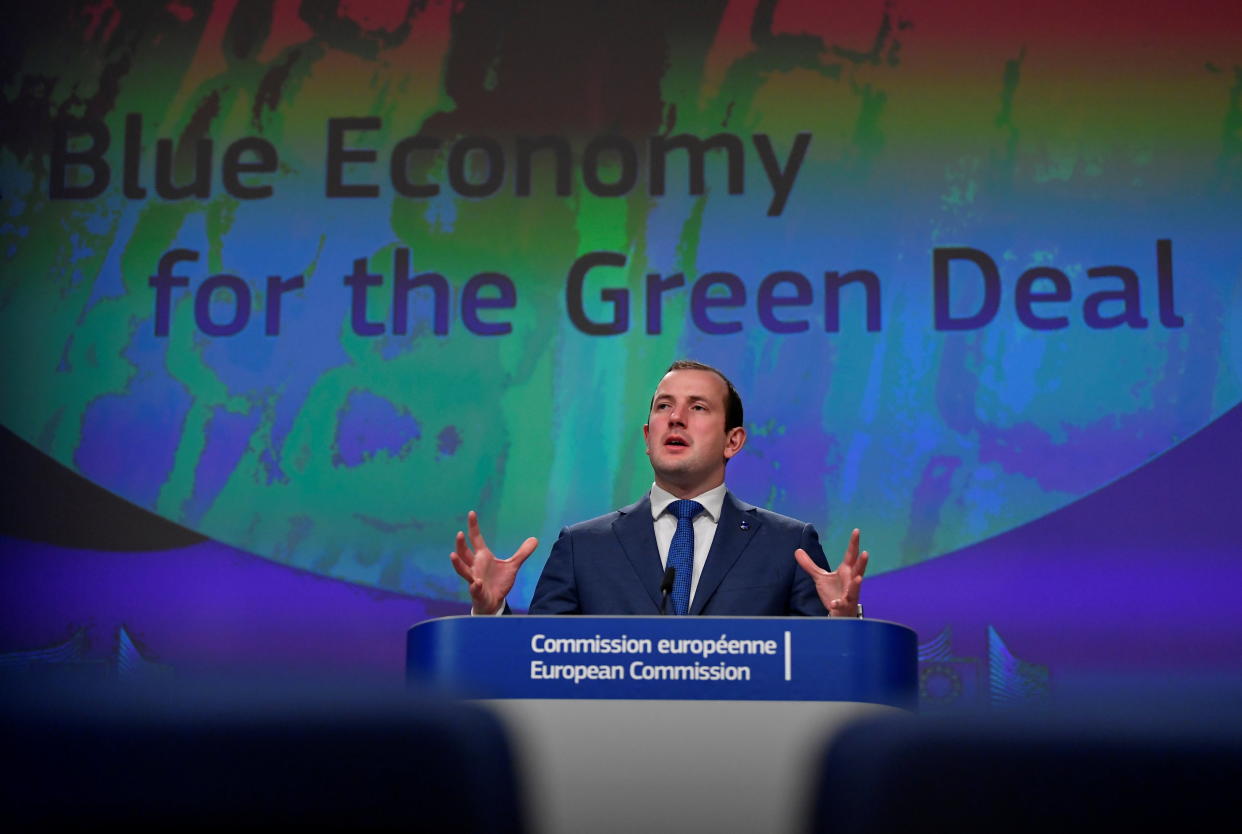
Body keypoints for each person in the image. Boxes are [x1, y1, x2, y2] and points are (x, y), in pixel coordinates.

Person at [449, 360, 867, 616]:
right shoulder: (582, 548)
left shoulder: (788, 546)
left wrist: (842, 624)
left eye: (697, 407)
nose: (676, 418)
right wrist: (492, 614)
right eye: (664, 406)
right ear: (648, 437)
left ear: (732, 441)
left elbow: (825, 672)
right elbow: (535, 665)